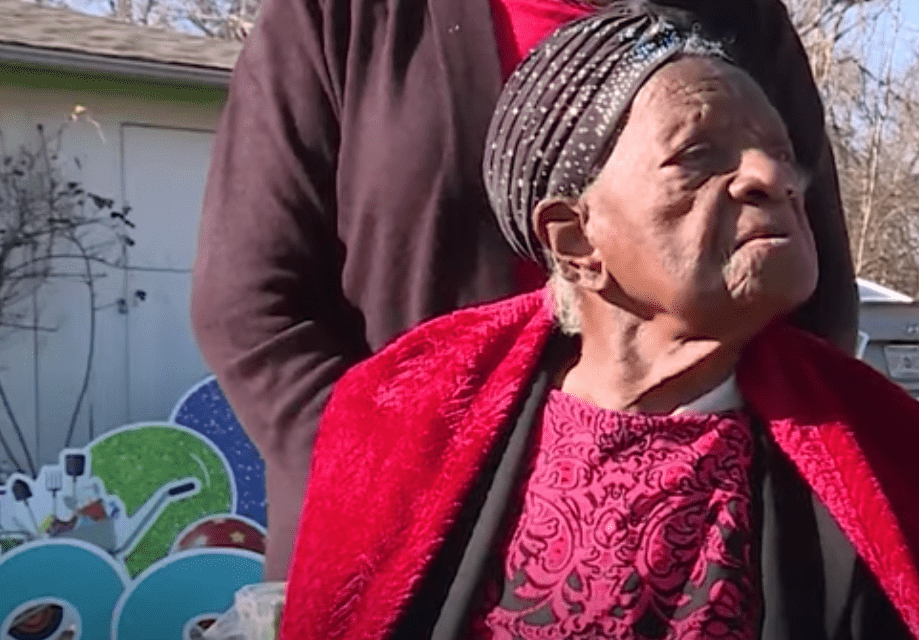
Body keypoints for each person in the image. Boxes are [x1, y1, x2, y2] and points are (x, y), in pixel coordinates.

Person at [230, 5, 919, 640]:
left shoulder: (880, 470)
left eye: (778, 149)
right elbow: (252, 307)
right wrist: (393, 486)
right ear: (574, 240)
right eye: (698, 154)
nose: (773, 173)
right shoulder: (419, 463)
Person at [190, 0, 859, 582]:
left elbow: (810, 291)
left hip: (698, 547)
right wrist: (397, 487)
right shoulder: (345, 15)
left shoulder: (743, 20)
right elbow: (252, 308)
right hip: (399, 555)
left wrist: (713, 487)